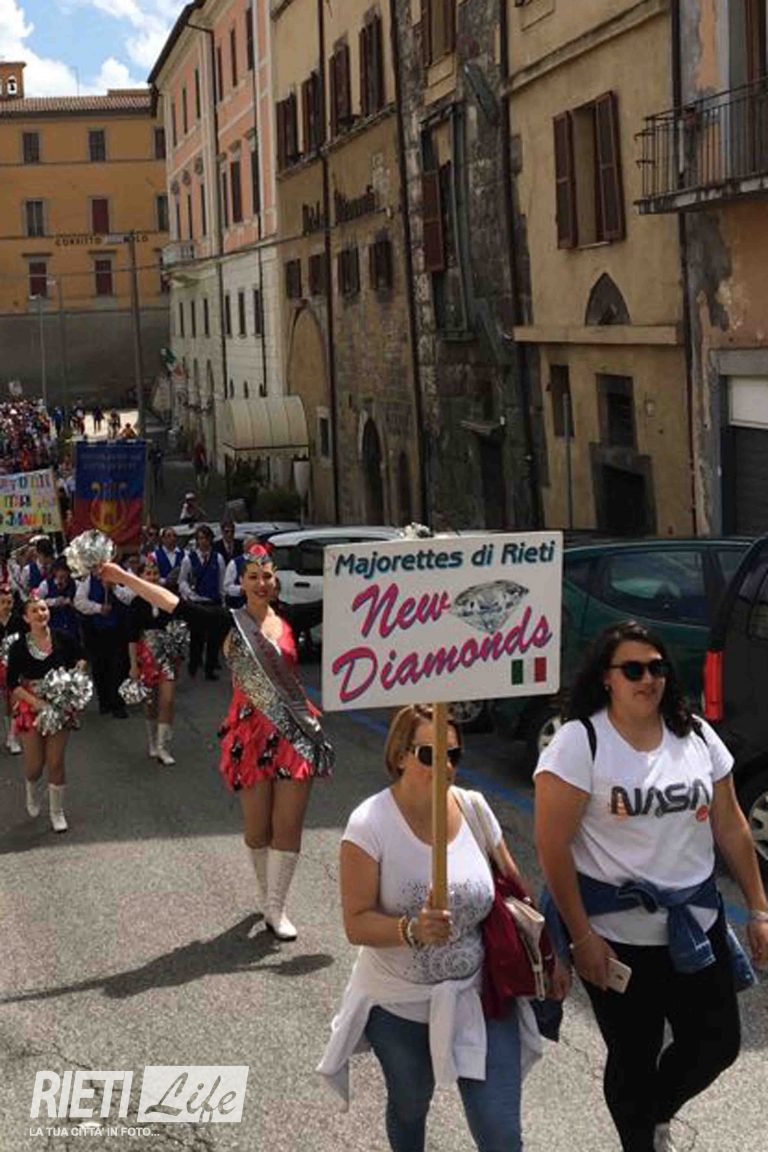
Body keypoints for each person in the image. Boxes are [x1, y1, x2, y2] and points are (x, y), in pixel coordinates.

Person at [534, 620, 768, 1152]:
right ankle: (641, 1138)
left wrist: (759, 909)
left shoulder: (696, 735)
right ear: (607, 677)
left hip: (695, 926)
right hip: (617, 940)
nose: (648, 679)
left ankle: (655, 1112)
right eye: (634, 669)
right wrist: (582, 938)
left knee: (717, 1045)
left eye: (657, 667)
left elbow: (731, 824)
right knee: (633, 1056)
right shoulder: (580, 742)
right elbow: (552, 847)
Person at [318, 704, 567, 1152]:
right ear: (400, 756)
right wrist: (412, 930)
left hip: (481, 994)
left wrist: (551, 955)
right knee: (411, 1105)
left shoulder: (474, 808)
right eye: (430, 755)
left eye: (454, 755)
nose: (446, 766)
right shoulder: (368, 824)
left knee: (501, 1134)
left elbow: (516, 890)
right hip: (400, 1004)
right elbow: (356, 923)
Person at [98, 541, 334, 940]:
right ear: (242, 582)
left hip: (294, 733)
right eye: (253, 577)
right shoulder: (229, 622)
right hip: (251, 735)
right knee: (257, 831)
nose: (260, 583)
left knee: (288, 826)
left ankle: (276, 908)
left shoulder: (291, 618)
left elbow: (345, 598)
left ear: (276, 582)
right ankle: (266, 893)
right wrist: (124, 577)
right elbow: (174, 604)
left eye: (267, 576)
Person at [6, 592, 87, 832]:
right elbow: (12, 683)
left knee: (55, 761)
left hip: (59, 705)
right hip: (31, 706)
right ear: (26, 617)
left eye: (43, 609)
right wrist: (36, 702)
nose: (41, 613)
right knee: (34, 766)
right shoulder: (19, 646)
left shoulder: (62, 637)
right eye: (35, 611)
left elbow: (82, 656)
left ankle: (57, 811)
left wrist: (78, 670)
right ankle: (31, 788)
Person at [126, 556, 181, 766]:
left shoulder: (168, 598)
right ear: (140, 577)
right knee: (150, 703)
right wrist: (133, 665)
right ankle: (152, 740)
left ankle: (162, 747)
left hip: (167, 654)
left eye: (155, 573)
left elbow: (177, 627)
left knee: (168, 700)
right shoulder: (136, 603)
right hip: (146, 657)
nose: (152, 577)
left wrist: (178, 655)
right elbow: (131, 638)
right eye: (147, 573)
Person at [74, 567, 131, 718]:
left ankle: (117, 703)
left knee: (118, 666)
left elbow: (129, 598)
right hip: (96, 631)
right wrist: (98, 608)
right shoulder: (87, 581)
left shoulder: (120, 577)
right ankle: (104, 701)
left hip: (117, 630)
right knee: (100, 667)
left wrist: (114, 587)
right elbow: (79, 602)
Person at [178, 524, 225, 680]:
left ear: (210, 539)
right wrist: (189, 594)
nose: (203, 541)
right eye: (200, 538)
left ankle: (210, 669)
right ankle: (193, 665)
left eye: (205, 538)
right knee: (196, 637)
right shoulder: (189, 559)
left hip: (213, 602)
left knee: (213, 639)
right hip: (197, 602)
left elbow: (222, 581)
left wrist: (222, 601)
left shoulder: (218, 558)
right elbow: (182, 580)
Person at [0, 582, 23, 755]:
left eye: (9, 602)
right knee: (4, 703)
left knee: (15, 701)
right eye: (2, 602)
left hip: (14, 666)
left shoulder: (18, 621)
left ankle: (12, 736)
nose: (6, 606)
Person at [39, 559, 79, 640]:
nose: (63, 577)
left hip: (72, 626)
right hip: (53, 626)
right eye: (60, 574)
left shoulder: (76, 584)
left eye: (65, 573)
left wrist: (72, 603)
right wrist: (54, 601)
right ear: (55, 571)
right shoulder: (45, 584)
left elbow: (81, 602)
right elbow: (37, 601)